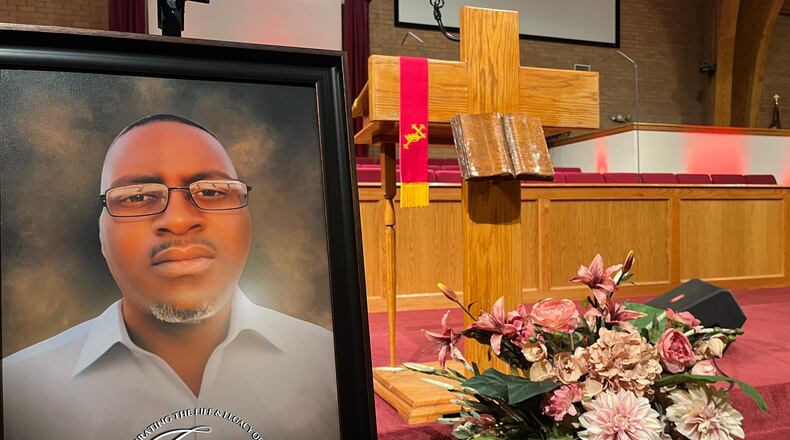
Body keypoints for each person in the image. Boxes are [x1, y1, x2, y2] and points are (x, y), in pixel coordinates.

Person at [3, 114, 340, 439]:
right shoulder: (17, 392)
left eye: (211, 191)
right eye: (137, 197)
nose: (178, 220)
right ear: (101, 235)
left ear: (248, 222)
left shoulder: (329, 365)